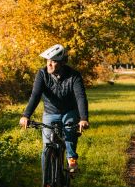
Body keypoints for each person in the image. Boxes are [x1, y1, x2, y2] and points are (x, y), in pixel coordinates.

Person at [19, 44, 90, 174]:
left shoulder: (74, 76)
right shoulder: (42, 74)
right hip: (50, 112)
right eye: (48, 60)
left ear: (63, 62)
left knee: (69, 130)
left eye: (54, 61)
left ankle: (71, 158)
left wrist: (84, 118)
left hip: (69, 110)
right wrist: (26, 115)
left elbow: (80, 97)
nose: (49, 64)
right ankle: (46, 184)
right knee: (47, 148)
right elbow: (35, 95)